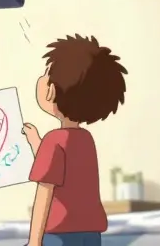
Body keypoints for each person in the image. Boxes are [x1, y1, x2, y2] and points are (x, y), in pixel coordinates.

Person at [21, 34, 127, 246]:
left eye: (46, 74)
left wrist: (34, 242)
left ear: (51, 90)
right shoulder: (85, 139)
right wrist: (35, 141)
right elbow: (64, 172)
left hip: (59, 235)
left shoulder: (54, 140)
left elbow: (46, 190)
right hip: (91, 233)